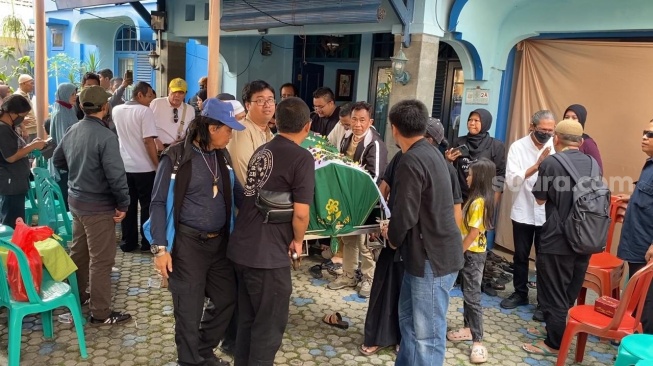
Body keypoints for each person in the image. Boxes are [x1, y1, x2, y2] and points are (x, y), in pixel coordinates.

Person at [151, 98, 245, 366]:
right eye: (228, 129)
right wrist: (160, 248)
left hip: (219, 245)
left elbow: (240, 194)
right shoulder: (176, 157)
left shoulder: (221, 156)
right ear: (213, 128)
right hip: (187, 245)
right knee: (188, 312)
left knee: (228, 299)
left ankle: (202, 350)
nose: (230, 134)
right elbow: (157, 202)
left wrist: (268, 207)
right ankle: (190, 361)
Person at [359, 116, 463, 357]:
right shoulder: (431, 154)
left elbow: (405, 213)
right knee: (409, 325)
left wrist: (391, 236)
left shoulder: (413, 160)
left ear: (394, 129)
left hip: (432, 261)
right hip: (419, 257)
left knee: (427, 335)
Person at [227, 97, 315, 366]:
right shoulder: (302, 157)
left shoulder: (262, 150)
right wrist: (298, 242)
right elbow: (301, 212)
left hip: (241, 248)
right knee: (268, 327)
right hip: (267, 256)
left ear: (277, 121)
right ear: (307, 127)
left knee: (247, 321)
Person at [52, 86, 131, 325]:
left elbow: (57, 159)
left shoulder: (73, 129)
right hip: (98, 207)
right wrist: (123, 203)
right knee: (101, 260)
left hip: (76, 203)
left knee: (79, 253)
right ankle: (101, 313)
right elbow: (116, 176)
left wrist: (79, 174)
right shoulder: (106, 136)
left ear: (81, 106)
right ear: (105, 107)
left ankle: (78, 297)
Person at [523, 118, 595, 356]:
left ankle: (554, 344)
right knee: (569, 290)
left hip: (557, 238)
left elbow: (540, 198)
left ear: (556, 139)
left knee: (552, 290)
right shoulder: (594, 164)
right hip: (586, 237)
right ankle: (556, 330)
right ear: (581, 141)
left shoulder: (552, 163)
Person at [327, 101, 387, 297]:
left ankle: (369, 278)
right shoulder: (346, 138)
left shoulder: (375, 143)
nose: (357, 124)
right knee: (348, 235)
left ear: (370, 121)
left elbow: (376, 176)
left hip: (366, 200)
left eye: (362, 120)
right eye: (354, 119)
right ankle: (349, 274)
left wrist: (359, 196)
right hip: (347, 198)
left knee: (365, 241)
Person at [500, 110, 555, 317]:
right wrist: (537, 166)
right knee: (521, 256)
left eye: (551, 130)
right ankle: (520, 293)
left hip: (546, 213)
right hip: (522, 210)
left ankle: (543, 302)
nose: (547, 134)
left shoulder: (554, 146)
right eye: (543, 130)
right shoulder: (518, 147)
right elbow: (512, 181)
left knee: (544, 258)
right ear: (532, 127)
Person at [446, 158, 496, 364]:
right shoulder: (476, 199)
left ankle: (478, 341)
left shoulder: (478, 202)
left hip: (473, 255)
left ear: (479, 178)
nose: (467, 177)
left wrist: (460, 251)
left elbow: (474, 233)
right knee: (468, 293)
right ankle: (468, 328)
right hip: (471, 253)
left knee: (472, 296)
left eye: (470, 174)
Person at [615, 122, 653, 335]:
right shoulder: (649, 164)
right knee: (637, 292)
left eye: (650, 134)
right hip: (637, 242)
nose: (644, 137)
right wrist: (633, 196)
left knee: (647, 299)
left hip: (647, 246)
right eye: (644, 132)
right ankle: (631, 334)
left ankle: (644, 346)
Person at [112, 82, 159, 253]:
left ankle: (128, 242)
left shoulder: (116, 110)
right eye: (148, 97)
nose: (150, 100)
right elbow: (148, 141)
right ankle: (147, 242)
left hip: (124, 166)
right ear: (139, 95)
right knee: (147, 206)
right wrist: (157, 164)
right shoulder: (144, 111)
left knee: (127, 205)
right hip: (144, 167)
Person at [0, 95, 47, 228]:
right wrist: (32, 146)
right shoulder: (3, 128)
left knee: (16, 223)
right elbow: (11, 157)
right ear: (13, 112)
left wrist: (32, 145)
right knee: (11, 225)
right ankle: (11, 249)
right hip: (10, 183)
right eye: (22, 115)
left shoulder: (9, 127)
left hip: (16, 181)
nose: (23, 119)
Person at [446, 108, 506, 203]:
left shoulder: (496, 146)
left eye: (476, 120)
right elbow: (448, 170)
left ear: (485, 123)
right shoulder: (458, 142)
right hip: (459, 197)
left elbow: (500, 175)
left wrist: (493, 203)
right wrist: (448, 160)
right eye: (470, 119)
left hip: (483, 199)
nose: (471, 123)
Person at [227, 80, 276, 185]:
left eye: (271, 100)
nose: (267, 105)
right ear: (248, 105)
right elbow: (244, 177)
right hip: (250, 199)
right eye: (260, 100)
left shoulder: (268, 132)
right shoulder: (241, 130)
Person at [48, 83, 79, 210]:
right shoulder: (61, 112)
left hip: (68, 160)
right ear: (65, 94)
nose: (75, 96)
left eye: (75, 93)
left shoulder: (67, 109)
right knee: (66, 199)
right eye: (72, 94)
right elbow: (63, 139)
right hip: (64, 162)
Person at [151, 78, 195, 153]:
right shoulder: (156, 103)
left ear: (185, 94)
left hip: (179, 151)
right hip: (158, 150)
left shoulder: (190, 109)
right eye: (174, 91)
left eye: (181, 92)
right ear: (169, 90)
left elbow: (191, 132)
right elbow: (147, 124)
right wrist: (154, 140)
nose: (177, 95)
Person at [563, 104, 603, 172]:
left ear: (581, 120)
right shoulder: (559, 139)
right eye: (566, 117)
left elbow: (598, 170)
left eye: (574, 118)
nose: (569, 120)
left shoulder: (587, 142)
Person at [13, 74, 36, 140]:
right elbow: (16, 114)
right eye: (31, 83)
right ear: (23, 84)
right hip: (26, 130)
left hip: (32, 128)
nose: (33, 85)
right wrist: (24, 130)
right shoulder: (17, 96)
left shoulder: (26, 94)